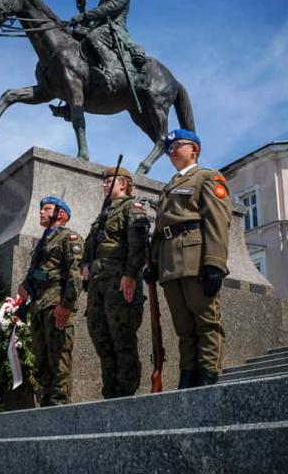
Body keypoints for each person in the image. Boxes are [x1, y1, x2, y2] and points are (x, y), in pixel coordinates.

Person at [150, 129, 231, 388]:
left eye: (178, 145)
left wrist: (214, 262)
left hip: (195, 259)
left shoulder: (206, 177)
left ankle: (207, 376)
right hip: (170, 264)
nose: (171, 150)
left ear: (194, 149)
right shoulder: (168, 186)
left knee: (206, 322)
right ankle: (187, 376)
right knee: (183, 328)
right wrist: (153, 263)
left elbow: (217, 221)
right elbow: (160, 230)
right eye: (169, 147)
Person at [81, 165, 149, 398]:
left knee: (122, 337)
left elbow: (139, 245)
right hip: (98, 284)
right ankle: (110, 392)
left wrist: (130, 275)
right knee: (100, 337)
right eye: (104, 181)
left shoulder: (132, 207)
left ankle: (126, 393)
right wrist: (84, 265)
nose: (104, 184)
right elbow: (89, 247)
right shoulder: (103, 214)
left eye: (110, 181)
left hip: (119, 280)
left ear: (124, 184)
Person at [18, 196, 84, 406]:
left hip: (57, 304)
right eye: (41, 208)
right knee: (41, 359)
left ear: (61, 215)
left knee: (59, 358)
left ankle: (59, 405)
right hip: (39, 306)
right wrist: (25, 286)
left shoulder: (69, 237)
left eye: (47, 208)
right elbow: (36, 271)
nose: (41, 212)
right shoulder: (43, 241)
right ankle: (45, 404)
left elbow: (76, 275)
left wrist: (66, 306)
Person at [70, 0, 146, 82]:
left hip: (116, 30)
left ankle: (109, 73)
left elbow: (113, 6)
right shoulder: (101, 2)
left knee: (94, 36)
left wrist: (84, 15)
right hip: (103, 29)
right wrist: (82, 9)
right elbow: (93, 24)